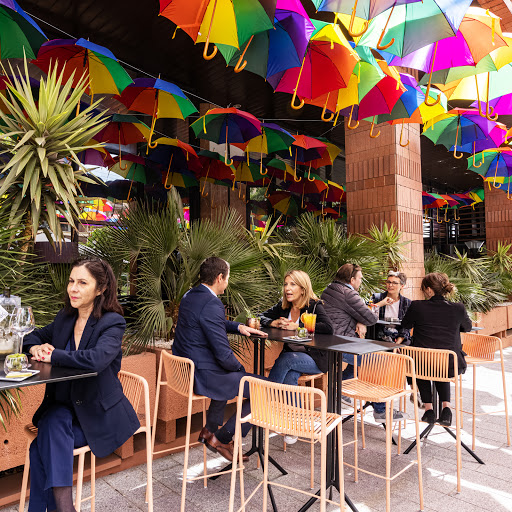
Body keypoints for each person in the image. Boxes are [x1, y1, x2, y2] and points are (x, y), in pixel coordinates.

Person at [23, 257, 140, 512]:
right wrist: (35, 347)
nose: (73, 289)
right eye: (71, 281)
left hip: (96, 415)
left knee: (43, 441)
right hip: (63, 409)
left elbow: (96, 359)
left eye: (82, 283)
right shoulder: (65, 318)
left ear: (101, 289)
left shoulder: (112, 322)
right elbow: (30, 336)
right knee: (53, 422)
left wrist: (54, 355)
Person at [172, 256, 267, 462]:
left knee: (228, 373)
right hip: (203, 375)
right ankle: (222, 439)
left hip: (186, 370)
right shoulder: (212, 303)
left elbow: (208, 321)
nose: (227, 282)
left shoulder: (190, 295)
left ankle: (209, 430)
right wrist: (240, 370)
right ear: (220, 277)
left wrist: (238, 326)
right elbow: (223, 355)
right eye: (227, 278)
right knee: (265, 390)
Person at [321, 263, 406, 423]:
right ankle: (381, 410)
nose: (361, 281)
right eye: (359, 278)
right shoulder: (348, 293)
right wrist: (362, 320)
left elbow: (348, 313)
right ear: (352, 279)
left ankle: (340, 388)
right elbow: (371, 318)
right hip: (341, 344)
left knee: (359, 361)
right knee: (378, 361)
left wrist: (359, 320)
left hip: (330, 342)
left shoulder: (329, 289)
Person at [401, 272, 472, 426]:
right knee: (440, 366)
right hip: (449, 363)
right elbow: (467, 327)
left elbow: (405, 324)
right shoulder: (458, 308)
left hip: (421, 364)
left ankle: (429, 410)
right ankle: (446, 408)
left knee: (422, 363)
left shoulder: (417, 306)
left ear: (428, 290)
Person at [259, 270, 333, 386]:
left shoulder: (314, 305)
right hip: (292, 355)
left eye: (293, 284)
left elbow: (328, 328)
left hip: (315, 359)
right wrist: (272, 323)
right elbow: (259, 316)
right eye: (285, 284)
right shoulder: (283, 306)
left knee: (286, 360)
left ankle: (266, 393)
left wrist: (297, 326)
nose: (287, 288)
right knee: (290, 376)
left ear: (303, 289)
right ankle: (290, 399)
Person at [370, 271, 412, 345]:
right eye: (388, 282)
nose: (390, 285)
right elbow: (366, 313)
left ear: (402, 286)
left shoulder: (407, 303)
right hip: (379, 337)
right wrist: (381, 303)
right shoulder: (377, 298)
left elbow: (407, 326)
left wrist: (397, 343)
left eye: (394, 283)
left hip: (399, 337)